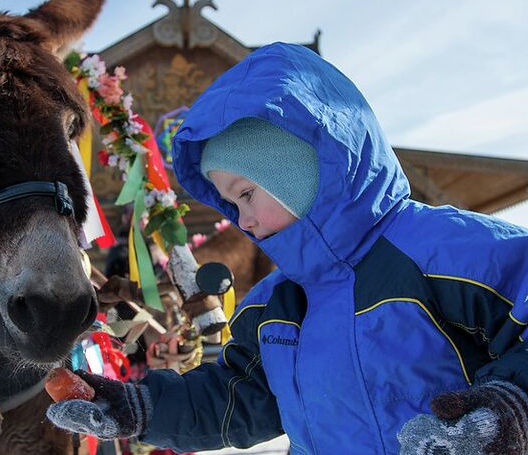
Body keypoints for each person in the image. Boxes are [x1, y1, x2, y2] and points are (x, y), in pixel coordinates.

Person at [47, 42, 528, 455]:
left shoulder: (446, 252)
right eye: (232, 205)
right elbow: (232, 399)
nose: (244, 220)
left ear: (304, 169)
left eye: (248, 193)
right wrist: (139, 407)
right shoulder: (277, 307)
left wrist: (510, 409)